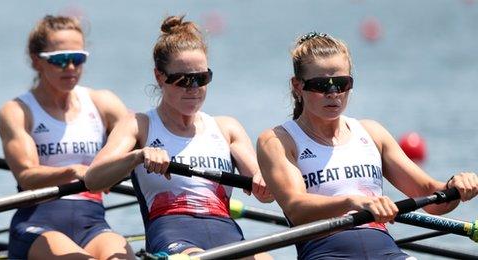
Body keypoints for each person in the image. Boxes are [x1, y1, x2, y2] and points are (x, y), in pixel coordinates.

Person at [256, 32, 478, 259]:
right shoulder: (279, 140)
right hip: (326, 253)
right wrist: (353, 201)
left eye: (342, 84)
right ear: (297, 86)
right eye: (322, 85)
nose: (334, 93)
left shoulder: (372, 133)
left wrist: (455, 187)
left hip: (387, 252)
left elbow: (431, 198)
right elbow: (297, 208)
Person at [84, 15, 273, 258]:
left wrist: (264, 183)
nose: (193, 89)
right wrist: (138, 157)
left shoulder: (227, 128)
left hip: (228, 235)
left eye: (202, 79)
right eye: (183, 80)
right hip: (172, 236)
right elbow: (93, 179)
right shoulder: (139, 125)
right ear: (159, 76)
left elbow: (265, 195)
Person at [0, 15, 134, 260]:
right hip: (36, 225)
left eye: (78, 58)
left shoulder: (103, 103)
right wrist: (74, 171)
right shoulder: (18, 111)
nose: (70, 67)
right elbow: (27, 177)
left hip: (92, 225)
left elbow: (142, 142)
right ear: (37, 61)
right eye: (60, 60)